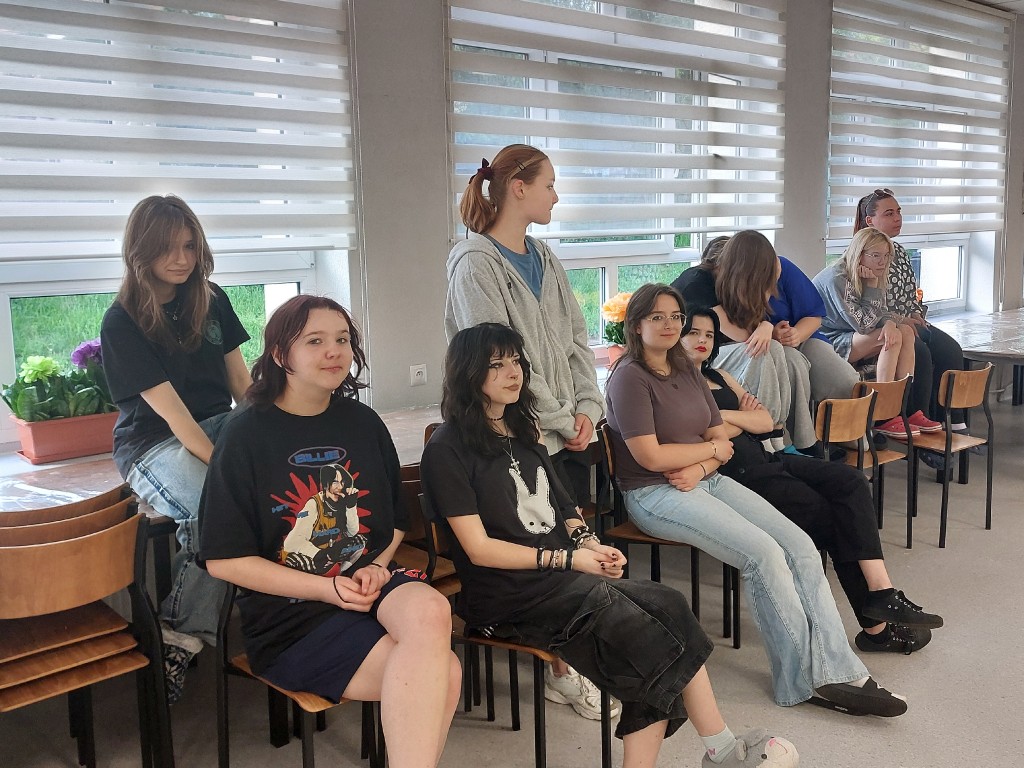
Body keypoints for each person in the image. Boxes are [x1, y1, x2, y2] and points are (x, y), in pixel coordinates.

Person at [421, 322, 799, 768]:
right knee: (646, 640)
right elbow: (478, 549)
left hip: (560, 579)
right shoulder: (448, 448)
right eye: (496, 364)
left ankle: (720, 750)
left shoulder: (523, 432)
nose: (513, 372)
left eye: (516, 361)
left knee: (668, 605)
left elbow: (565, 507)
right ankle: (723, 751)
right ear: (468, 372)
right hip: (508, 596)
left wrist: (590, 544)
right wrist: (569, 559)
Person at [604, 283, 907, 716]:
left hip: (703, 478)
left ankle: (839, 670)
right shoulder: (629, 376)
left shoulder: (686, 367)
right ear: (636, 325)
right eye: (657, 317)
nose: (670, 325)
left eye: (675, 317)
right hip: (654, 492)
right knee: (764, 555)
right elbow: (650, 457)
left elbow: (720, 437)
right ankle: (799, 681)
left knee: (800, 546)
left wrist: (703, 461)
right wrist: (710, 452)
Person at [198, 295, 460, 768]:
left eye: (342, 340)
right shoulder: (244, 435)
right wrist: (327, 589)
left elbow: (393, 522)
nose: (334, 351)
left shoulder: (362, 421)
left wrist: (376, 566)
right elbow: (224, 559)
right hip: (292, 616)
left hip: (365, 584)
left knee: (432, 608)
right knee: (448, 672)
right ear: (281, 353)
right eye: (315, 341)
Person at [445, 142, 609, 716]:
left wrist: (587, 406)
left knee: (573, 541)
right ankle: (562, 670)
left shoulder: (544, 256)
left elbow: (576, 341)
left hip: (564, 433)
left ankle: (580, 655)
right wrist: (563, 418)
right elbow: (498, 365)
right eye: (549, 185)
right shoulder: (474, 262)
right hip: (513, 436)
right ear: (518, 188)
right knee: (538, 552)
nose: (555, 196)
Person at [680, 306, 942, 654]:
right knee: (836, 519)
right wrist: (738, 418)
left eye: (709, 335)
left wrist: (723, 418)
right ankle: (877, 629)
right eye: (693, 333)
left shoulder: (720, 376)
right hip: (736, 478)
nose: (702, 340)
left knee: (851, 480)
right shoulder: (677, 385)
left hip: (768, 459)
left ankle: (882, 592)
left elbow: (766, 421)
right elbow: (700, 432)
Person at [100, 194, 252, 702]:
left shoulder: (212, 299)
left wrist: (269, 439)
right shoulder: (122, 321)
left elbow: (242, 385)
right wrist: (229, 467)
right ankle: (179, 637)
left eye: (189, 246)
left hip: (217, 424)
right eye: (168, 248)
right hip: (155, 441)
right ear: (140, 250)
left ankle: (282, 610)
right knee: (213, 507)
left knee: (284, 475)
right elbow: (175, 416)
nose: (182, 259)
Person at [672, 231, 817, 453]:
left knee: (788, 355)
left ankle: (790, 437)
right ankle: (769, 436)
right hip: (692, 358)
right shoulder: (696, 284)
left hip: (719, 353)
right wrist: (765, 327)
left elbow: (753, 325)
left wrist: (766, 325)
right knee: (761, 350)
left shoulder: (732, 284)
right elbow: (740, 335)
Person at [855, 188, 967, 434]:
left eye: (898, 212)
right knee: (921, 353)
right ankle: (915, 416)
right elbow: (868, 306)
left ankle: (952, 420)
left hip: (909, 321)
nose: (897, 218)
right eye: (889, 213)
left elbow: (910, 292)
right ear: (870, 220)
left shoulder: (901, 253)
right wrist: (902, 320)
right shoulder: (863, 256)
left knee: (950, 349)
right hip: (884, 326)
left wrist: (916, 313)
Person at [811, 228, 940, 438]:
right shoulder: (838, 278)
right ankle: (882, 416)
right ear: (859, 254)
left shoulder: (872, 272)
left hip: (852, 333)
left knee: (906, 331)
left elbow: (881, 312)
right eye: (876, 255)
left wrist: (890, 322)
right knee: (890, 338)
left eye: (886, 256)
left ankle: (903, 409)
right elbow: (863, 324)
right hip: (828, 341)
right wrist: (873, 289)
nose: (883, 262)